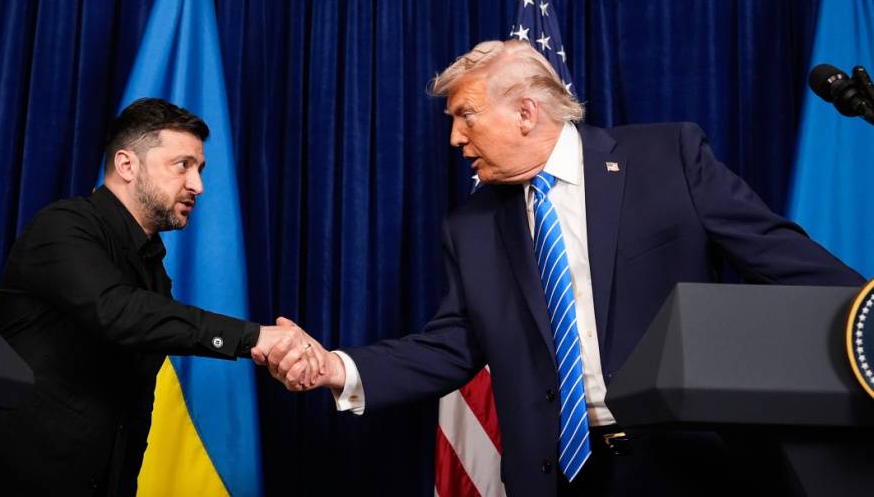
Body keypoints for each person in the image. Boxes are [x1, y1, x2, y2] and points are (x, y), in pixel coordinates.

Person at [264, 40, 866, 496]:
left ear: (526, 111)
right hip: (553, 479)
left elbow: (786, 262)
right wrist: (335, 368)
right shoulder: (470, 226)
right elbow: (452, 347)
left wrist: (866, 325)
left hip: (688, 466)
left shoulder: (668, 158)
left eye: (466, 115)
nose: (455, 138)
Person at [0, 98, 318, 496]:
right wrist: (253, 337)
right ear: (127, 164)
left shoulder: (153, 269)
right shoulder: (63, 226)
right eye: (183, 165)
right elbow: (117, 312)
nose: (198, 185)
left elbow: (130, 407)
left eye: (200, 169)